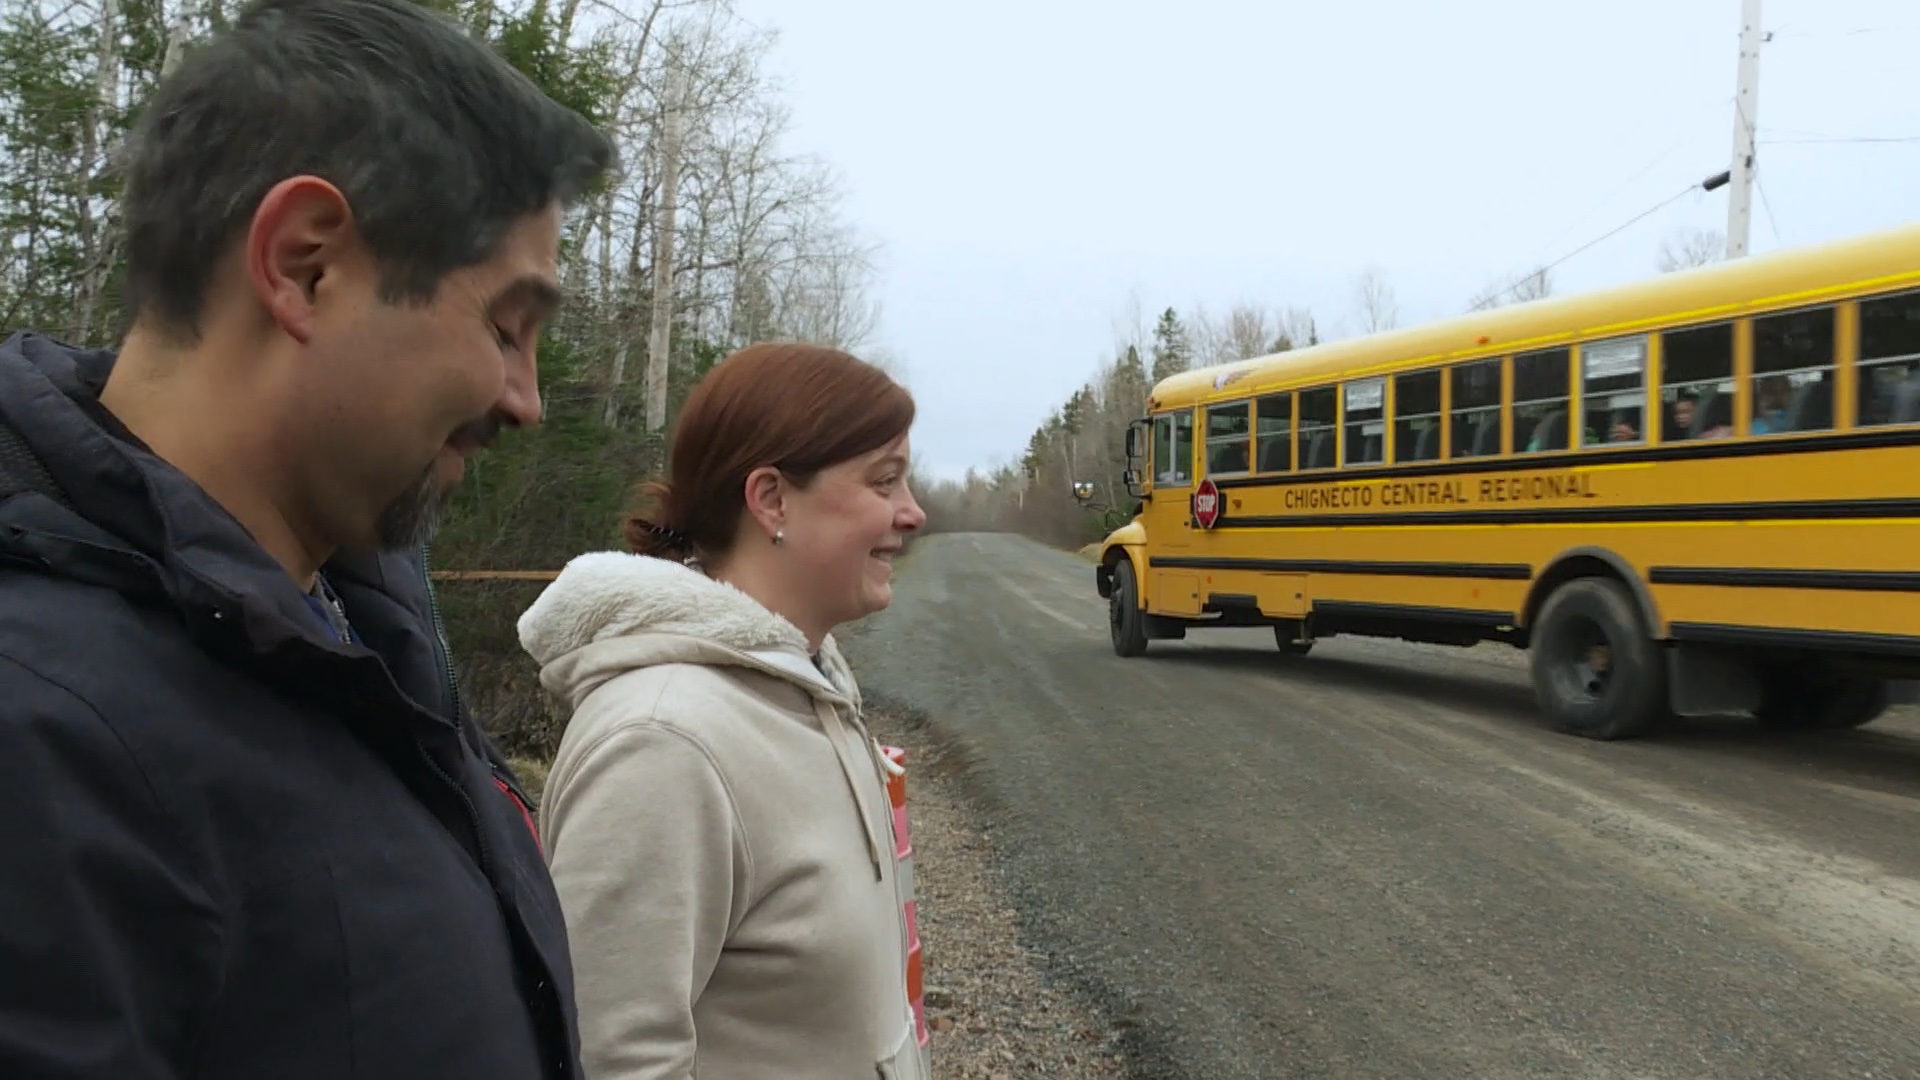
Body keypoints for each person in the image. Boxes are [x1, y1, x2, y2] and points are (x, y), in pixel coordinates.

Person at [0, 0, 615, 1076]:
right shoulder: (42, 736)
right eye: (506, 327)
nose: (525, 400)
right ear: (303, 265)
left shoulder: (358, 630)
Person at [518, 342, 931, 1080]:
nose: (913, 511)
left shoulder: (808, 685)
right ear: (772, 499)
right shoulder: (663, 743)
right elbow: (613, 1059)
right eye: (885, 481)